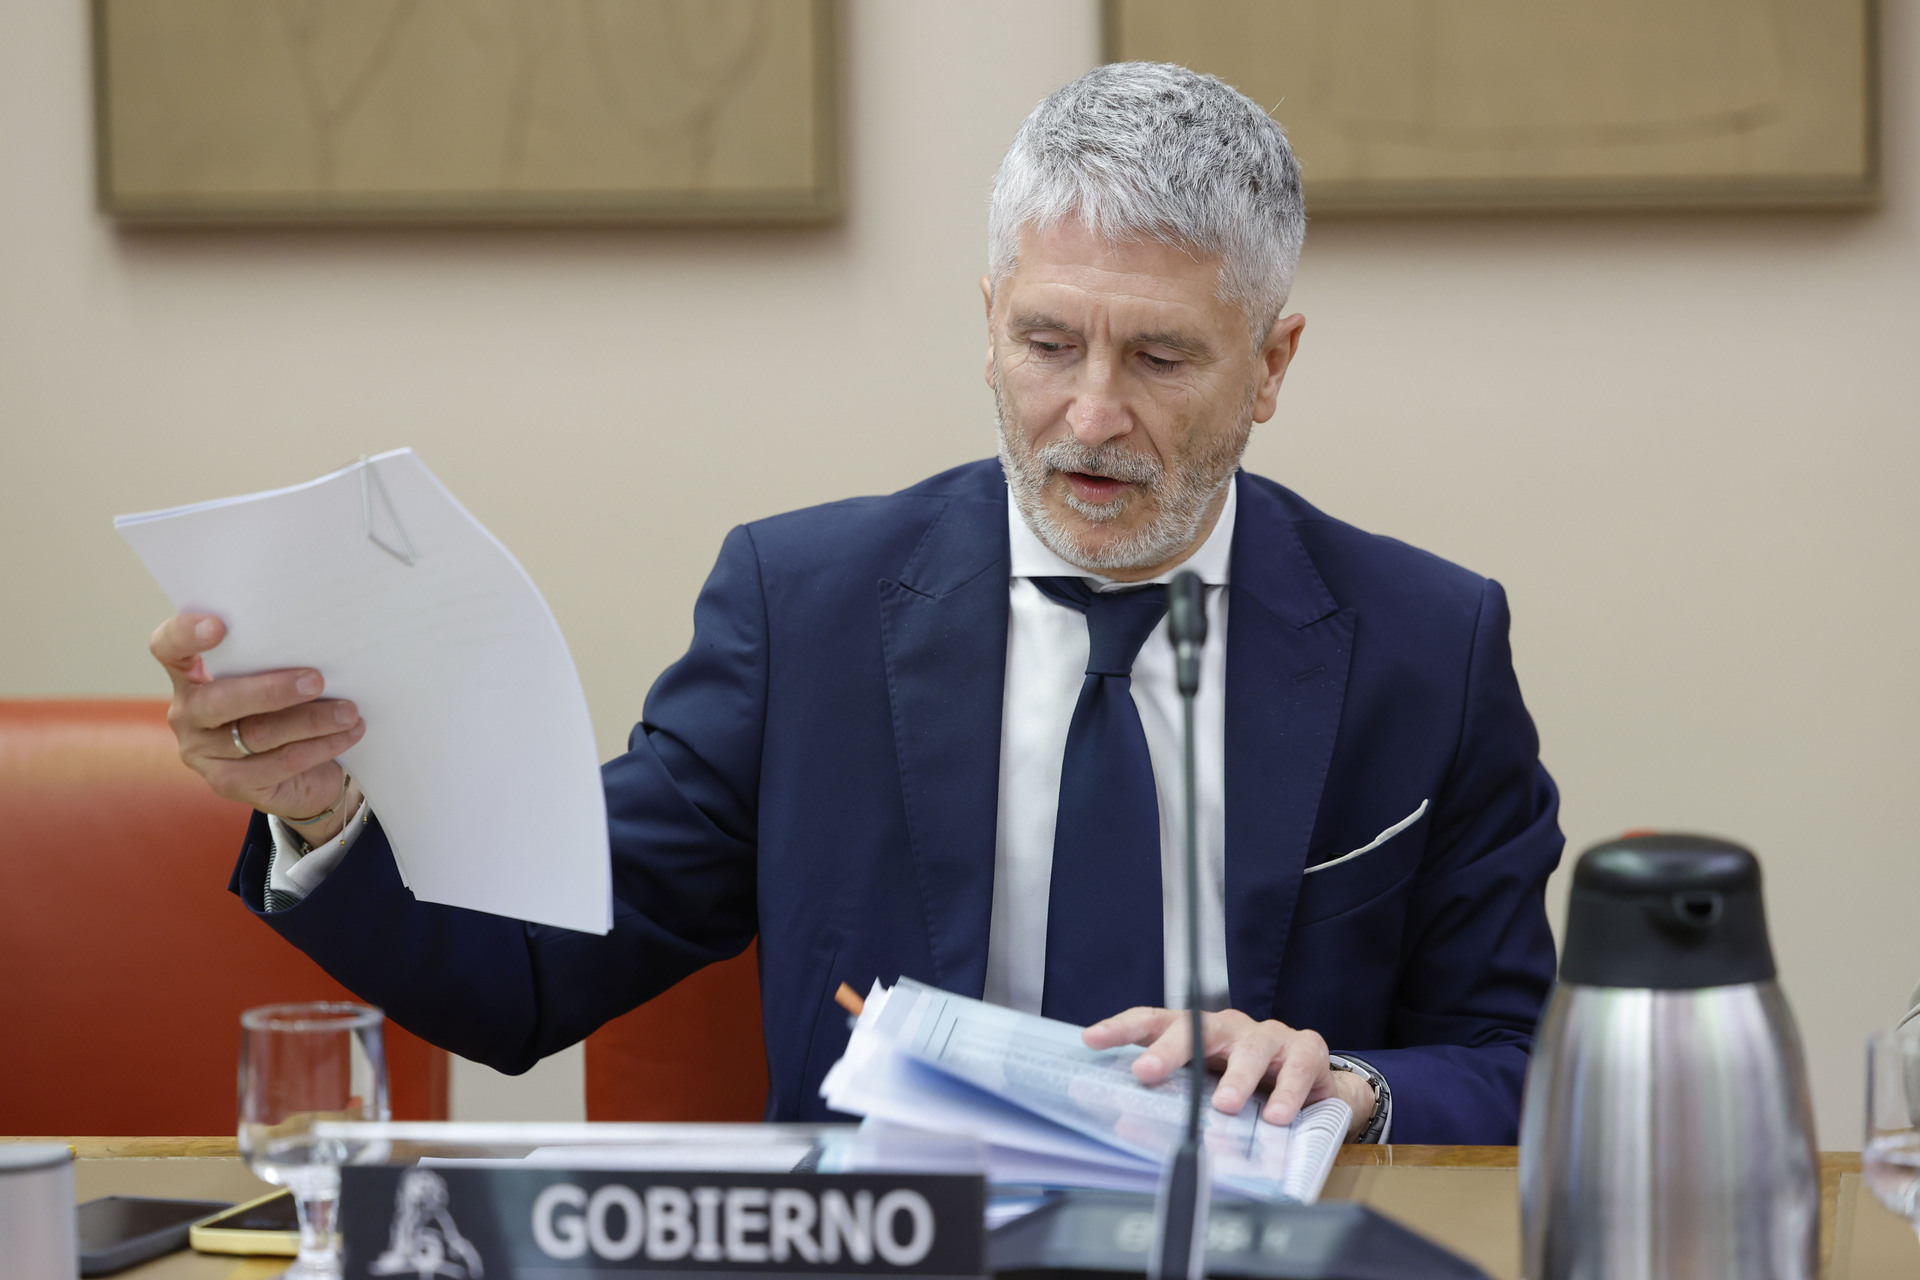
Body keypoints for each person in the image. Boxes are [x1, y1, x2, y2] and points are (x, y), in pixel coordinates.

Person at [148, 64, 1561, 1144]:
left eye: (1163, 360)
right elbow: (523, 983)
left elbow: (1511, 1059)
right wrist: (323, 813)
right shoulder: (804, 611)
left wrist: (1360, 1086)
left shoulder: (1426, 648)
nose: (1089, 414)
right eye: (1048, 341)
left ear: (1271, 366)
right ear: (989, 319)